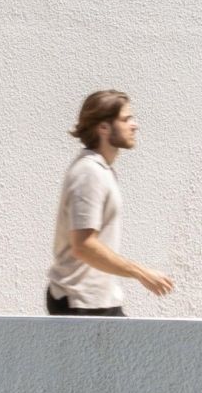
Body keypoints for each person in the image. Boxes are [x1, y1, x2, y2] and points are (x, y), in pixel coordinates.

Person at [45, 90, 175, 316]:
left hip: (97, 300)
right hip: (80, 302)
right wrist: (141, 272)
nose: (135, 125)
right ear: (103, 128)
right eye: (126, 119)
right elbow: (83, 245)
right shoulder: (89, 173)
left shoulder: (101, 170)